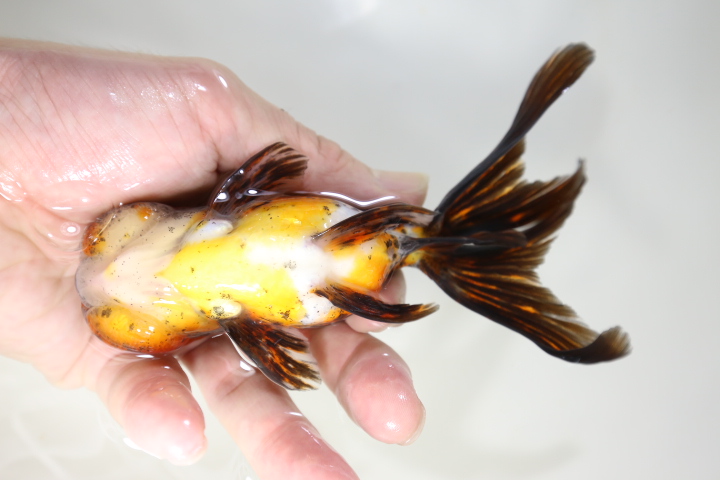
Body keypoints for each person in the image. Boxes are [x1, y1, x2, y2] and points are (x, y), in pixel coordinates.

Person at [0, 39, 428, 480]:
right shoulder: (228, 294)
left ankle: (427, 242)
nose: (110, 273)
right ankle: (430, 244)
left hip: (340, 239)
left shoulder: (221, 221)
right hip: (331, 276)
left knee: (406, 248)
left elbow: (271, 170)